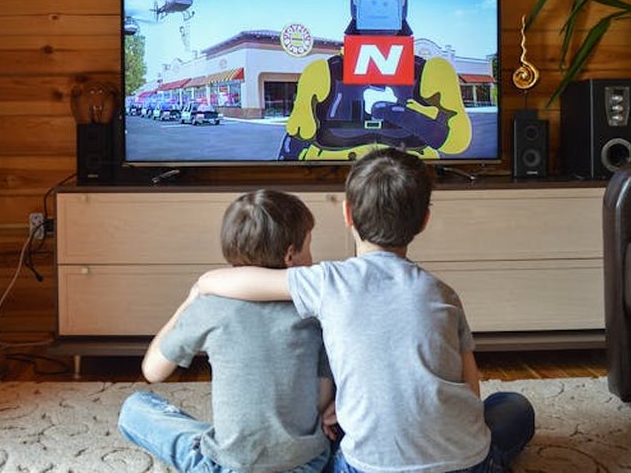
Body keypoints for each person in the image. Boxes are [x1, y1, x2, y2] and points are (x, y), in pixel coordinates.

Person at [196, 148, 535, 472]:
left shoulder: (328, 282)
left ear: (347, 213)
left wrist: (204, 283)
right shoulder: (444, 294)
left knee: (327, 438)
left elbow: (244, 281)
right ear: (424, 221)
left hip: (364, 467)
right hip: (463, 463)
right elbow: (470, 389)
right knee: (515, 406)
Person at [118, 189, 334, 473]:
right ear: (290, 255)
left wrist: (191, 300)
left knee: (136, 406)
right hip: (308, 463)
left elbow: (153, 370)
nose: (312, 256)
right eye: (308, 246)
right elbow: (320, 397)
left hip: (229, 467)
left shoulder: (210, 307)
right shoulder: (314, 311)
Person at [278, 0, 472, 161]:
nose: (379, 10)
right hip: (336, 173)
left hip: (409, 175)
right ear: (355, 8)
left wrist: (418, 120)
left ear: (402, 8)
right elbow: (298, 134)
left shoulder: (432, 72)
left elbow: (458, 141)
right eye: (371, 3)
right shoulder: (321, 72)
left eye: (386, 4)